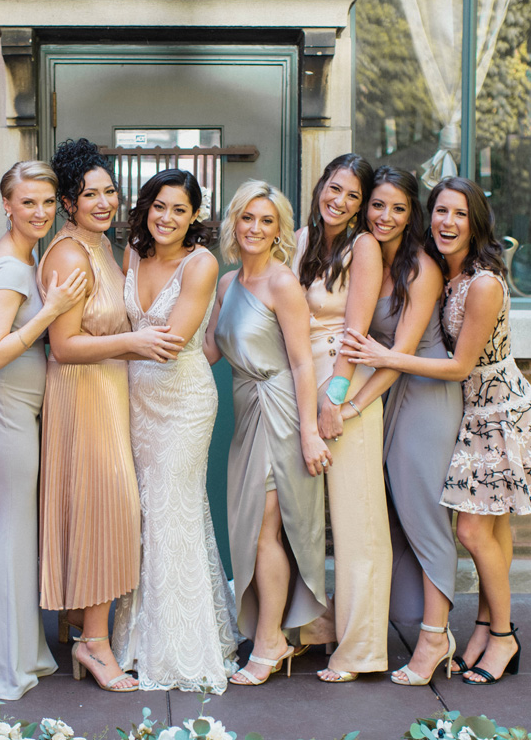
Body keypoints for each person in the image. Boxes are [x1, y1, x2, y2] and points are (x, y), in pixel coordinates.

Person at [343, 175, 531, 686]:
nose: (447, 222)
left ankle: (503, 636)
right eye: (441, 211)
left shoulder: (483, 283)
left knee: (471, 530)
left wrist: (385, 356)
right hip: (469, 409)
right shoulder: (442, 268)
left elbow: (462, 366)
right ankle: (484, 628)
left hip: (497, 412)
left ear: (476, 222)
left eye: (460, 214)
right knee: (492, 527)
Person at [39, 138, 185, 693]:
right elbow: (64, 345)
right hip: (81, 395)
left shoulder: (100, 245)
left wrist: (133, 344)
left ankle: (82, 627)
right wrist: (135, 341)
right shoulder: (70, 254)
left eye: (108, 191)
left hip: (107, 392)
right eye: (88, 194)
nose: (102, 201)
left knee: (106, 511)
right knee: (108, 511)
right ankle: (94, 644)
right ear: (69, 203)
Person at [0, 161, 86, 700]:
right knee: (10, 530)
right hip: (4, 408)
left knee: (17, 528)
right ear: (6, 206)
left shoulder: (17, 258)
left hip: (15, 407)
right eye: (27, 202)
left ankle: (19, 649)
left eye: (48, 202)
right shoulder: (11, 269)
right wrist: (51, 310)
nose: (39, 211)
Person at [111, 169, 238, 693]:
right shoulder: (131, 255)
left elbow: (172, 340)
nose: (167, 218)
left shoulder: (201, 263)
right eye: (159, 207)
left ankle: (184, 647)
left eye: (179, 210)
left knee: (172, 507)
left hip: (183, 398)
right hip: (133, 398)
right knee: (143, 510)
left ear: (194, 217)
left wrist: (90, 346)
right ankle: (137, 639)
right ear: (147, 207)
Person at [204, 179, 331, 687]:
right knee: (249, 529)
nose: (255, 228)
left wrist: (307, 433)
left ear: (279, 230)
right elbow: (210, 350)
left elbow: (302, 364)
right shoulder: (226, 284)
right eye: (247, 218)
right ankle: (267, 633)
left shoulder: (283, 283)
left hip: (279, 409)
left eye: (267, 221)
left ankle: (271, 640)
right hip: (244, 410)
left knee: (264, 529)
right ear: (234, 222)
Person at [349, 167, 463, 686]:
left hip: (427, 398)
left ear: (411, 212)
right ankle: (412, 622)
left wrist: (350, 408)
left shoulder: (421, 267)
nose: (384, 216)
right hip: (393, 396)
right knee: (395, 516)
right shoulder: (372, 257)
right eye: (377, 205)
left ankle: (436, 638)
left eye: (397, 208)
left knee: (425, 518)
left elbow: (397, 355)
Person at [291, 154, 390, 683]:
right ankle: (317, 629)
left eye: (353, 196)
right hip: (300, 383)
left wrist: (336, 398)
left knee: (358, 523)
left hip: (339, 383)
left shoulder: (364, 248)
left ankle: (363, 650)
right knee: (306, 518)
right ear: (321, 186)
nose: (340, 201)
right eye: (335, 188)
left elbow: (355, 332)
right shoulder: (304, 242)